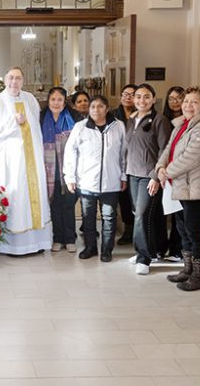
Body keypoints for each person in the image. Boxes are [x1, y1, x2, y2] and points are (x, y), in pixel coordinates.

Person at [0, 66, 52, 256]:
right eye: (11, 78)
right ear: (5, 80)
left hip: (32, 162)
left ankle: (35, 243)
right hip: (10, 164)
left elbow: (35, 128)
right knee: (16, 199)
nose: (14, 82)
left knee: (31, 198)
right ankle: (10, 245)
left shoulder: (30, 100)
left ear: (23, 80)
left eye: (18, 78)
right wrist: (13, 121)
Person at [156, 87, 200, 291]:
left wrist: (167, 172)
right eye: (186, 102)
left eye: (194, 102)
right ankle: (188, 269)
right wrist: (160, 167)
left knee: (195, 231)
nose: (188, 106)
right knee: (183, 229)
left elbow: (191, 157)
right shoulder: (181, 124)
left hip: (196, 187)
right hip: (180, 185)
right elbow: (168, 149)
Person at [64, 95, 126, 262]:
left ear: (106, 109)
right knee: (88, 217)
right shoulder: (80, 127)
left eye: (100, 106)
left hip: (111, 182)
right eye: (93, 107)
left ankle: (107, 250)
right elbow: (70, 152)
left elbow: (123, 153)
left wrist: (123, 175)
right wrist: (69, 176)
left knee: (109, 218)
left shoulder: (118, 126)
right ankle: (90, 247)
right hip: (87, 181)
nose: (96, 110)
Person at [124, 84, 172, 274]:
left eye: (146, 97)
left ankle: (144, 257)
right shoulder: (131, 119)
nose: (141, 100)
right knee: (140, 214)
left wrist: (156, 176)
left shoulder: (159, 120)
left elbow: (164, 150)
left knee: (142, 215)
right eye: (138, 97)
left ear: (153, 99)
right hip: (133, 173)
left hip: (149, 176)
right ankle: (149, 250)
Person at [40, 87, 77, 252]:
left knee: (69, 205)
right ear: (48, 101)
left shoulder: (74, 118)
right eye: (53, 99)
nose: (56, 103)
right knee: (54, 205)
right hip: (48, 169)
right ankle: (57, 238)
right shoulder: (40, 118)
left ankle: (70, 239)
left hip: (68, 169)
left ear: (65, 101)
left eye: (59, 99)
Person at [162, 86, 185, 261]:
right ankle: (163, 247)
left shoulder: (189, 122)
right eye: (171, 98)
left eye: (179, 98)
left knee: (180, 212)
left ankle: (178, 249)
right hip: (164, 170)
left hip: (181, 171)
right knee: (163, 211)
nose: (175, 102)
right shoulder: (163, 120)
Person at [114, 83, 137, 245]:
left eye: (131, 94)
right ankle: (127, 229)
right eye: (124, 94)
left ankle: (138, 231)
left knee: (136, 198)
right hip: (119, 162)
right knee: (124, 198)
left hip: (137, 163)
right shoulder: (114, 115)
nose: (127, 97)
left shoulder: (142, 115)